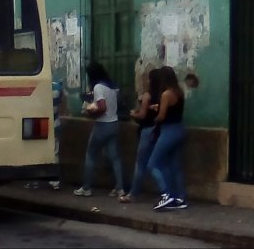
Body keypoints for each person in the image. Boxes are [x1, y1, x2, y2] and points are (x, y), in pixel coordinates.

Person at [74, 62, 124, 197]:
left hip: (103, 125)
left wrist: (90, 112)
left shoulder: (98, 87)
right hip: (114, 123)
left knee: (90, 155)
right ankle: (120, 188)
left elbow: (102, 107)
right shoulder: (112, 86)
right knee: (115, 157)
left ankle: (86, 188)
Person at [146, 66, 188, 210]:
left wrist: (154, 116)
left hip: (168, 131)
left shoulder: (166, 94)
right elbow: (173, 109)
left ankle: (166, 194)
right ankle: (180, 198)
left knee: (152, 163)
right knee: (174, 166)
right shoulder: (179, 92)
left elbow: (162, 116)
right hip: (180, 129)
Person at [119, 68, 160, 203]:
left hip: (147, 130)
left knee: (141, 163)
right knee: (158, 162)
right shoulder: (162, 95)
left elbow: (142, 115)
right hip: (158, 129)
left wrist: (132, 114)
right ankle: (166, 191)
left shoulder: (148, 95)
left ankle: (133, 193)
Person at [49, 81, 63, 190]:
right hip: (55, 122)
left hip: (40, 123)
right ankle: (55, 180)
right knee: (55, 152)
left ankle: (34, 180)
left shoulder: (39, 85)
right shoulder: (58, 87)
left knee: (37, 150)